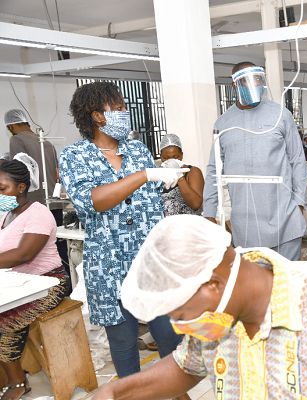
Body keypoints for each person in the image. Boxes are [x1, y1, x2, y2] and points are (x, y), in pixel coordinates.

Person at [92, 215, 307, 400]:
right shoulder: (216, 321)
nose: (180, 327)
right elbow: (184, 369)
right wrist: (115, 393)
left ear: (212, 285)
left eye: (180, 315)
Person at [59, 82, 189, 385]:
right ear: (97, 115)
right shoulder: (75, 155)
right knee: (124, 340)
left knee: (170, 334)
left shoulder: (137, 149)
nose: (124, 113)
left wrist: (165, 178)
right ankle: (132, 391)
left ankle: (177, 390)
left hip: (150, 260)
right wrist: (145, 175)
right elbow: (92, 201)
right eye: (117, 108)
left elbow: (147, 194)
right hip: (109, 263)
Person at [204, 62, 307, 261]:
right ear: (235, 85)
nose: (255, 84)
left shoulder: (281, 115)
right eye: (247, 81)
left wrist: (299, 203)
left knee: (286, 283)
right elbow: (213, 170)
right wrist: (209, 210)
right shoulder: (222, 123)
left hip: (285, 217)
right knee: (255, 286)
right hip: (246, 223)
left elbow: (297, 160)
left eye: (258, 79)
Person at [0, 155, 68, 400]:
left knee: (4, 319)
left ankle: (17, 382)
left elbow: (23, 254)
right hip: (17, 282)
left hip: (49, 283)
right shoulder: (5, 215)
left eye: (1, 188)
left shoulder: (38, 213)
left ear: (21, 187)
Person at [5, 109, 70, 290]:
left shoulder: (16, 140)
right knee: (58, 242)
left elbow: (18, 170)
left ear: (11, 126)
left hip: (34, 201)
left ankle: (56, 284)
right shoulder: (47, 143)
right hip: (53, 200)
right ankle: (66, 279)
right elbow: (56, 173)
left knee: (38, 248)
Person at [159, 133, 204, 216]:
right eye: (166, 158)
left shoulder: (192, 172)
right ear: (160, 156)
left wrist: (180, 177)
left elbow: (196, 204)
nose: (170, 161)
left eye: (175, 157)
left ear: (182, 155)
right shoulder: (157, 175)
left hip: (188, 226)